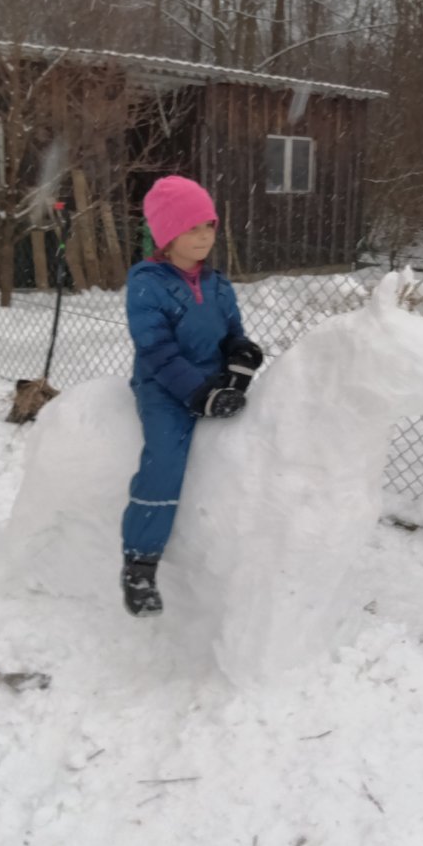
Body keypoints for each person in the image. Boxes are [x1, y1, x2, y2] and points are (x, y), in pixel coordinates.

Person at [121, 175, 264, 617]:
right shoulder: (147, 284)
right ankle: (140, 563)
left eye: (209, 226)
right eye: (191, 228)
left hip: (210, 379)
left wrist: (240, 356)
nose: (204, 237)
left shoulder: (219, 284)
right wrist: (197, 393)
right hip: (163, 384)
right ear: (167, 235)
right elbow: (157, 350)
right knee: (165, 456)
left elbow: (232, 334)